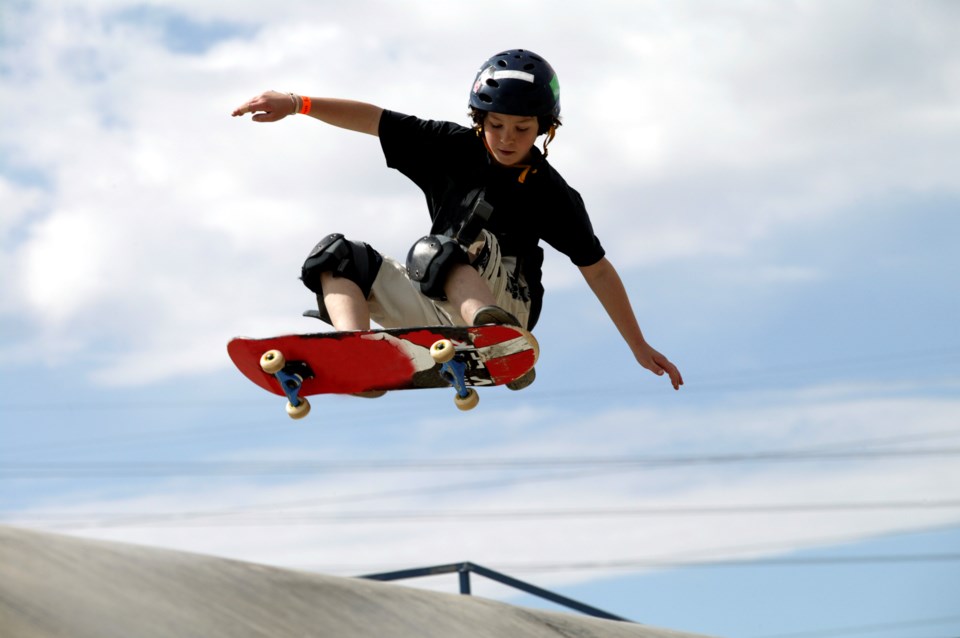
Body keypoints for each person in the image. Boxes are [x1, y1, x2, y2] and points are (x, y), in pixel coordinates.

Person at [232, 49, 683, 391]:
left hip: (508, 305)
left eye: (522, 129)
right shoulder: (449, 146)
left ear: (544, 128)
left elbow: (597, 269)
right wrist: (296, 103)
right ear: (479, 119)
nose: (507, 139)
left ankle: (493, 335)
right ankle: (356, 352)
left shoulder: (551, 192)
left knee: (436, 249)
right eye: (496, 125)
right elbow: (375, 120)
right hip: (436, 299)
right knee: (336, 256)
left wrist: (638, 346)